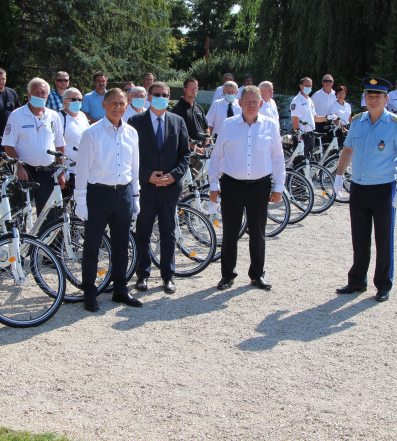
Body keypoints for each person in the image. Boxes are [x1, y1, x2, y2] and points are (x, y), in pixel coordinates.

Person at [333, 77, 397, 302]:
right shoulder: (357, 121)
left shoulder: (396, 124)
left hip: (383, 188)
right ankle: (357, 281)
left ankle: (384, 284)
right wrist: (339, 176)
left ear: (386, 99)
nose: (373, 99)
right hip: (359, 187)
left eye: (378, 96)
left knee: (384, 238)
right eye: (369, 95)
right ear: (364, 98)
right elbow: (348, 150)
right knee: (359, 237)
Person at [208, 86, 285, 291]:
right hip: (231, 185)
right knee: (230, 233)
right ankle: (227, 275)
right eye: (247, 101)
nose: (251, 105)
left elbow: (277, 158)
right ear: (240, 103)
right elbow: (217, 157)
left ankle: (257, 274)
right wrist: (213, 185)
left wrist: (278, 186)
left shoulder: (270, 126)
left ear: (261, 104)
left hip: (260, 186)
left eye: (255, 101)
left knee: (258, 233)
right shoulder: (228, 125)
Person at [74, 88, 142, 312]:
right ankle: (90, 292)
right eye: (113, 103)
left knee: (122, 246)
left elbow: (135, 168)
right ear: (104, 104)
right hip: (98, 194)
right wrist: (80, 201)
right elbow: (82, 170)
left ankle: (120, 290)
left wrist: (135, 196)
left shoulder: (131, 132)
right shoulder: (91, 133)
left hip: (123, 195)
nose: (118, 107)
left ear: (127, 105)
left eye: (122, 103)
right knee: (92, 246)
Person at [129, 82, 190, 294]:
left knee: (168, 233)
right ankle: (142, 274)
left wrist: (173, 176)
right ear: (148, 96)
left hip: (170, 188)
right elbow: (129, 156)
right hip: (146, 187)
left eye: (165, 95)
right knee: (143, 232)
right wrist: (147, 175)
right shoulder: (135, 121)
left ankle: (168, 276)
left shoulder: (178, 121)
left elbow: (185, 155)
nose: (161, 97)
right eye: (157, 94)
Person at [2, 78, 65, 215]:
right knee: (19, 214)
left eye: (43, 93)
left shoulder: (53, 116)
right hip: (25, 173)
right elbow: (8, 144)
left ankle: (45, 237)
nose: (40, 96)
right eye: (36, 92)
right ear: (29, 94)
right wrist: (19, 166)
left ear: (47, 95)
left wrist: (61, 170)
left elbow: (60, 145)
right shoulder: (17, 115)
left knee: (48, 216)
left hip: (48, 173)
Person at [59, 87, 89, 197]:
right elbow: (56, 145)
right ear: (64, 101)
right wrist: (62, 170)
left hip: (83, 170)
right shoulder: (59, 118)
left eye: (79, 100)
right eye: (73, 99)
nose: (77, 102)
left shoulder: (82, 116)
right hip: (68, 171)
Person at [170, 77, 209, 151]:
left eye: (196, 88)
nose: (194, 90)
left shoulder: (199, 108)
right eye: (191, 88)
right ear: (184, 89)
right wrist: (196, 149)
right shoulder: (178, 108)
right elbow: (180, 132)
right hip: (186, 152)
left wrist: (205, 147)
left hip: (201, 152)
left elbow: (206, 128)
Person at [289, 77, 316, 156]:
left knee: (308, 159)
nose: (308, 87)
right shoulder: (297, 101)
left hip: (311, 133)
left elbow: (314, 117)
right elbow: (295, 121)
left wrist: (328, 117)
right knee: (300, 160)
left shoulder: (309, 100)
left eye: (310, 85)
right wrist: (299, 138)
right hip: (302, 134)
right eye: (306, 85)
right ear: (301, 86)